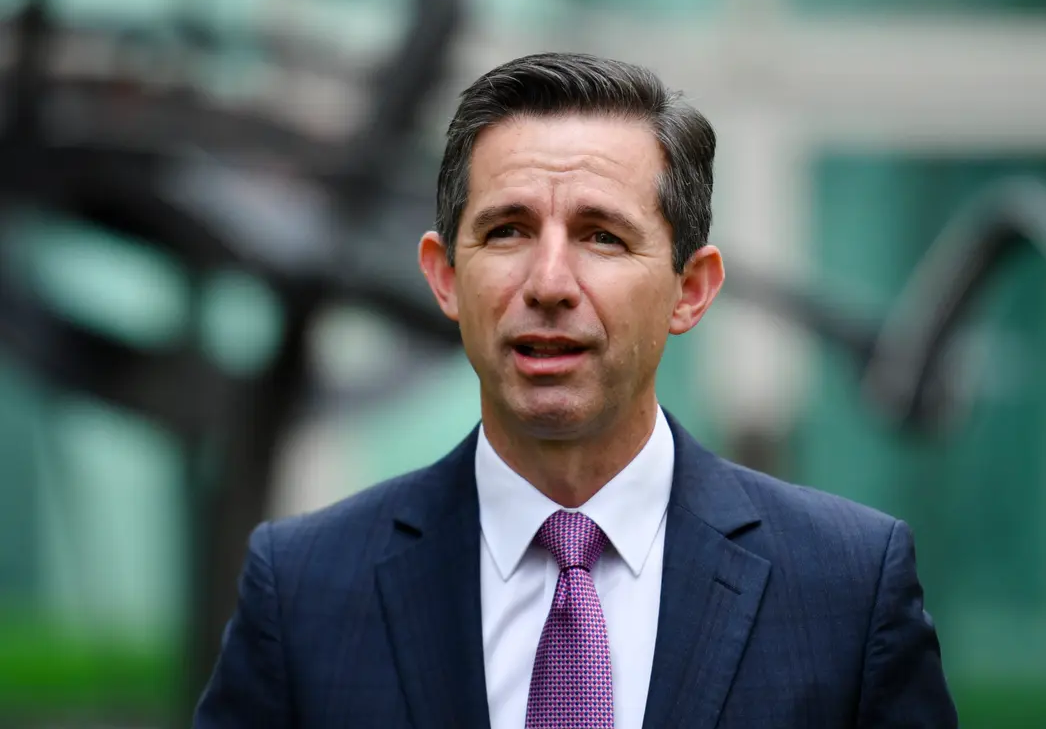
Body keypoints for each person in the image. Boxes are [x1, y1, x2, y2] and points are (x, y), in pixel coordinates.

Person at [194, 52, 958, 728]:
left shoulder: (846, 589)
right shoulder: (303, 591)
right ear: (444, 277)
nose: (550, 283)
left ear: (691, 289)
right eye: (507, 231)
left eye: (602, 235)